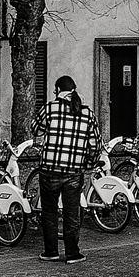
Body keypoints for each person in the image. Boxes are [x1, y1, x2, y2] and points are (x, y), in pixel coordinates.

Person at [32, 74, 100, 264]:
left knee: (49, 212)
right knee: (72, 213)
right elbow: (96, 145)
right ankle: (73, 253)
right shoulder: (87, 113)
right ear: (74, 89)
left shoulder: (50, 108)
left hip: (49, 169)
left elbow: (35, 129)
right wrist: (87, 165)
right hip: (73, 171)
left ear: (57, 90)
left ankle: (51, 251)